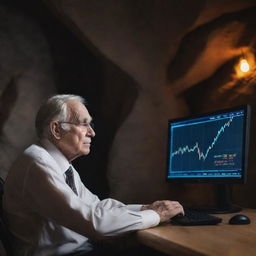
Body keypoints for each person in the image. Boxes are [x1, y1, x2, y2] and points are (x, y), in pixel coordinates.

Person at [3, 94, 184, 256]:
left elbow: (95, 206)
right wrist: (156, 215)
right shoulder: (38, 163)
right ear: (56, 130)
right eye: (83, 124)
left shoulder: (59, 164)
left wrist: (144, 208)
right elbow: (94, 224)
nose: (92, 132)